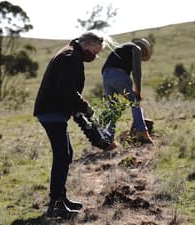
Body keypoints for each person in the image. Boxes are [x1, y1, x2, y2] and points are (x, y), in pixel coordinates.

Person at [33, 31, 113, 219]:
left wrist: (81, 114)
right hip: (51, 111)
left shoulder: (71, 53)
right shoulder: (70, 57)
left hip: (53, 111)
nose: (94, 56)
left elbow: (68, 91)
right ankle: (55, 206)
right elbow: (66, 89)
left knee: (66, 154)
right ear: (87, 44)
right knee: (63, 155)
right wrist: (85, 107)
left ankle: (61, 199)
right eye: (94, 52)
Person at [101, 38, 154, 144]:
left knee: (113, 108)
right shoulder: (136, 48)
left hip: (106, 75)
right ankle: (142, 132)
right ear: (143, 48)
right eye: (143, 54)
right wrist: (138, 91)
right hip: (119, 74)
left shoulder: (121, 48)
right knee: (135, 102)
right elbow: (136, 72)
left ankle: (108, 138)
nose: (142, 56)